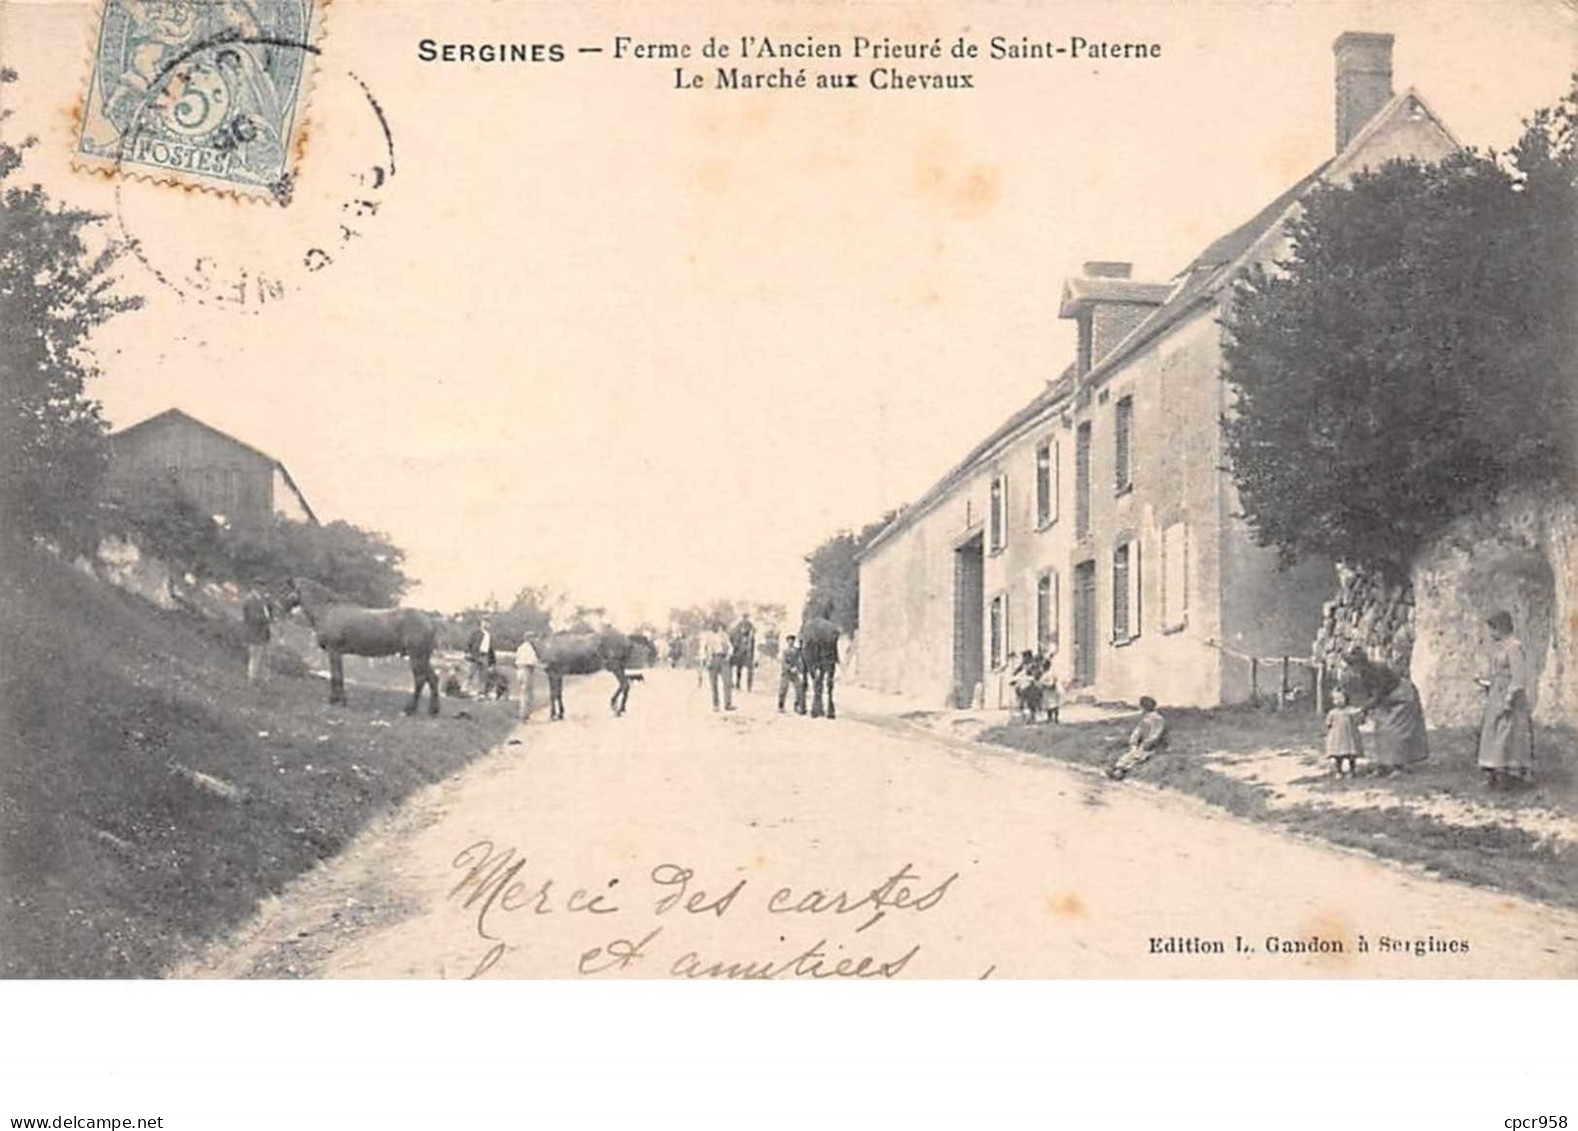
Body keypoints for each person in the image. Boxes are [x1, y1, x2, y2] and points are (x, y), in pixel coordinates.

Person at [1345, 650, 1428, 776]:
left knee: (1396, 731)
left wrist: (1364, 709)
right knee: (1380, 729)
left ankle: (1399, 766)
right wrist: (1365, 711)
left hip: (1403, 695)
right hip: (1389, 697)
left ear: (1362, 663)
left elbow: (1379, 694)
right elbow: (1371, 694)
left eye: (1353, 665)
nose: (1351, 668)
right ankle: (1383, 765)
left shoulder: (1378, 669)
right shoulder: (1363, 674)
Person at [1477, 611, 1535, 789]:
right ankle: (1493, 772)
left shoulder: (1514, 647)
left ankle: (1509, 774)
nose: (1491, 634)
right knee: (1492, 732)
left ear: (1501, 628)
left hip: (1510, 696)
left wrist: (1509, 699)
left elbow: (1518, 676)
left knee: (1507, 734)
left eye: (1493, 630)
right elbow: (1499, 672)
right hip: (1497, 693)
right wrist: (1486, 683)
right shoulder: (1501, 647)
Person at [1108, 696, 1167, 780]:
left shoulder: (1158, 719)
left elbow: (1156, 734)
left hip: (1151, 745)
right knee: (1129, 754)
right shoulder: (1145, 718)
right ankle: (1117, 769)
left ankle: (1120, 772)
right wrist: (1133, 742)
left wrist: (1146, 744)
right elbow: (1137, 731)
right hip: (1142, 743)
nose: (1141, 708)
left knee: (1138, 757)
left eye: (1143, 706)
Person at [1324, 687, 1364, 777]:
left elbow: (1359, 720)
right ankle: (1339, 771)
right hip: (1337, 737)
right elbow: (1328, 724)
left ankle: (1352, 770)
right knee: (1338, 755)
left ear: (1346, 698)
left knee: (1351, 754)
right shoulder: (1332, 712)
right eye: (1335, 699)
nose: (1338, 701)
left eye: (1340, 698)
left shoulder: (1351, 710)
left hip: (1349, 736)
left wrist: (1360, 716)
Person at [700, 621, 736, 712]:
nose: (718, 628)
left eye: (720, 626)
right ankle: (715, 705)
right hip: (713, 659)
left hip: (723, 659)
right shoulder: (707, 636)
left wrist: (728, 655)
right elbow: (703, 649)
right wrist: (705, 660)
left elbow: (730, 647)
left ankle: (728, 704)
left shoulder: (724, 635)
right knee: (714, 683)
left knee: (727, 682)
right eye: (715, 626)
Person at [241, 580, 272, 683]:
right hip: (254, 632)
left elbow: (269, 612)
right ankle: (252, 678)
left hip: (263, 633)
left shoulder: (263, 600)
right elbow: (253, 617)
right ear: (256, 587)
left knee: (263, 656)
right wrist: (266, 619)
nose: (264, 589)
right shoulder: (250, 600)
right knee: (255, 656)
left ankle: (261, 678)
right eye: (262, 586)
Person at [778, 633, 807, 714]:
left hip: (795, 673)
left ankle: (797, 705)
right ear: (787, 642)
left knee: (799, 689)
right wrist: (789, 668)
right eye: (789, 641)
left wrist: (798, 669)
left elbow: (800, 661)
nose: (791, 642)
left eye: (792, 641)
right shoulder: (785, 651)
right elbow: (783, 662)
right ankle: (781, 706)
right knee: (783, 689)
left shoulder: (797, 651)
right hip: (786, 673)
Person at [465, 618, 495, 695]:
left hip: (485, 655)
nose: (486, 624)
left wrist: (492, 661)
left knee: (483, 674)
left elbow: (491, 648)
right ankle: (466, 688)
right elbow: (469, 643)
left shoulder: (489, 635)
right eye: (484, 623)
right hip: (475, 655)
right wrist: (468, 652)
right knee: (471, 672)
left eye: (487, 623)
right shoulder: (475, 633)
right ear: (481, 624)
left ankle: (481, 690)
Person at [514, 637, 540, 721]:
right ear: (530, 639)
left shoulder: (520, 647)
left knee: (522, 692)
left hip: (519, 670)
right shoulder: (530, 649)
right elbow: (532, 661)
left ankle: (523, 712)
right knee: (527, 693)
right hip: (527, 670)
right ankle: (524, 714)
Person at [731, 614, 757, 692]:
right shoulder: (739, 624)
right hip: (740, 649)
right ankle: (737, 683)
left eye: (746, 617)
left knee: (750, 668)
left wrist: (750, 634)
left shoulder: (750, 624)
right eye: (744, 617)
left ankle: (749, 686)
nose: (745, 619)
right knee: (738, 668)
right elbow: (735, 633)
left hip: (748, 651)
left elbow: (754, 631)